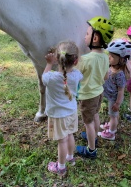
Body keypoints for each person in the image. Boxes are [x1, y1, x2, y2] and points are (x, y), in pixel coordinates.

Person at [76, 16, 114, 159]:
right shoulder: (105, 57)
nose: (85, 36)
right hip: (99, 93)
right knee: (95, 115)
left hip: (87, 96)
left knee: (88, 122)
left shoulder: (85, 60)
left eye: (87, 34)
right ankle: (94, 137)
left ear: (95, 38)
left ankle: (91, 150)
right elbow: (105, 77)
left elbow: (76, 75)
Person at [43, 41, 83, 176]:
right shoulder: (77, 75)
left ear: (57, 59)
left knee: (62, 141)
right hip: (72, 112)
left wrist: (49, 63)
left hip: (58, 116)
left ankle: (60, 167)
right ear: (76, 61)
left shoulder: (51, 78)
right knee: (70, 134)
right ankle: (70, 157)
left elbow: (43, 77)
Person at [98, 39, 131, 140]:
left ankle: (111, 133)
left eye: (112, 56)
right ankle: (111, 125)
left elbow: (121, 90)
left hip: (114, 98)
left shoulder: (120, 74)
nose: (109, 57)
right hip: (110, 96)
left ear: (122, 59)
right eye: (109, 54)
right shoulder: (111, 67)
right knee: (112, 115)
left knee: (113, 115)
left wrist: (117, 103)